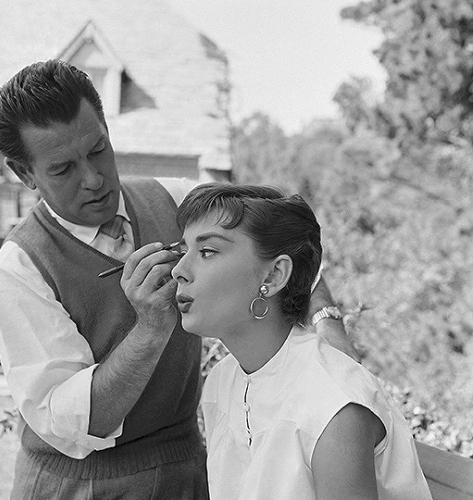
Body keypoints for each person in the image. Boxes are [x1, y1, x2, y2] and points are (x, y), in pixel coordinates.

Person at [0, 60, 355, 499]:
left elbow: (285, 246)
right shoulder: (19, 273)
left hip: (186, 470)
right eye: (64, 169)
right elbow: (84, 423)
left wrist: (330, 332)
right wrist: (150, 328)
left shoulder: (178, 201)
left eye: (98, 149)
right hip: (81, 486)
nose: (94, 178)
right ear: (24, 173)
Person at [171, 183, 432, 500]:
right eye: (183, 251)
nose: (179, 271)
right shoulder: (222, 381)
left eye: (207, 252)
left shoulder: (334, 408)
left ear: (272, 276)